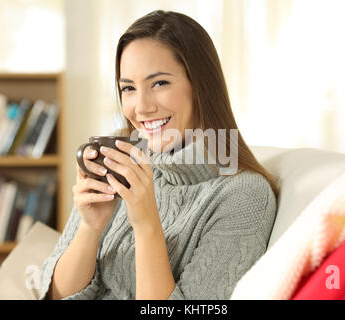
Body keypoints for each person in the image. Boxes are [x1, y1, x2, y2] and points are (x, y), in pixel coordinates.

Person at [39, 10, 278, 300]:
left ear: (201, 86)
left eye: (160, 83)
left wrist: (146, 222)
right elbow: (53, 295)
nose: (141, 107)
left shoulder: (244, 197)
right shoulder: (122, 156)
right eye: (128, 88)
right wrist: (90, 228)